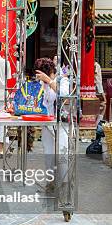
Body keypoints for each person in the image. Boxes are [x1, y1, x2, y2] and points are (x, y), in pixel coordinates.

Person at [34, 57, 69, 193]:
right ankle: (50, 183)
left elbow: (65, 97)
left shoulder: (62, 81)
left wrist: (49, 81)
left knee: (61, 153)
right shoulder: (43, 84)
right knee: (48, 153)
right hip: (47, 123)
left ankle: (64, 184)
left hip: (61, 124)